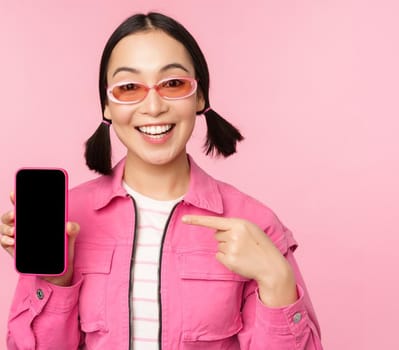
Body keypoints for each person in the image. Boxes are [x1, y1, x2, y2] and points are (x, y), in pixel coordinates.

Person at [1, 12, 322, 349]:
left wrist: (278, 281)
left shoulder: (254, 224)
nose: (153, 107)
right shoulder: (67, 220)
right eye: (128, 88)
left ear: (199, 97)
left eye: (173, 84)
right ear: (107, 106)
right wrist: (55, 280)